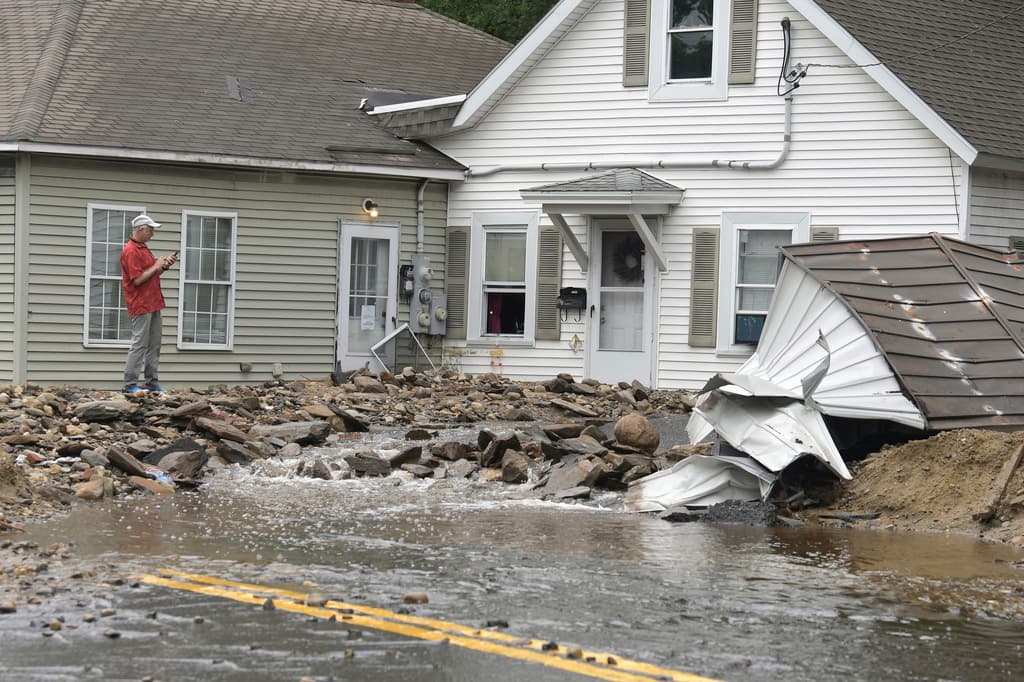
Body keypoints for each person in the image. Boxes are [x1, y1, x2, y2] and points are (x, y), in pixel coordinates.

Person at [121, 214, 177, 395]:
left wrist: (164, 266)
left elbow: (151, 275)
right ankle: (130, 385)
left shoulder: (143, 249)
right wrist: (155, 266)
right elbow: (137, 280)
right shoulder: (130, 251)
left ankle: (151, 382)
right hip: (140, 303)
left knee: (154, 344)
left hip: (153, 302)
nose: (152, 234)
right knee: (140, 344)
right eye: (150, 230)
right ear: (140, 229)